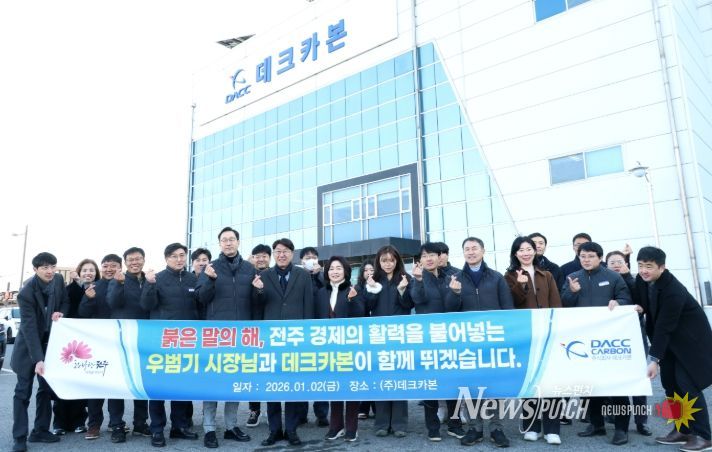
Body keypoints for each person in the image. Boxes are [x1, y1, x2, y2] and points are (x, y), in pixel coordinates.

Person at [633, 247, 712, 451]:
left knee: (687, 386)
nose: (643, 270)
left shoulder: (673, 290)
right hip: (669, 342)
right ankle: (683, 430)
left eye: (649, 266)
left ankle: (704, 436)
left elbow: (664, 326)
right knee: (671, 385)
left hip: (690, 343)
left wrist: (654, 360)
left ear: (662, 267)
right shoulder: (642, 280)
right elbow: (640, 300)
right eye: (640, 265)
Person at [561, 241, 631, 445]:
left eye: (591, 256)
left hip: (609, 341)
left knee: (617, 386)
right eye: (583, 256)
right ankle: (597, 424)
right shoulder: (573, 277)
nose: (586, 260)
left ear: (600, 258)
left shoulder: (613, 277)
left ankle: (621, 429)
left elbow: (626, 298)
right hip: (584, 340)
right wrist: (572, 291)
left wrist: (619, 302)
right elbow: (564, 304)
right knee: (591, 385)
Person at [445, 237, 513, 447]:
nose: (471, 252)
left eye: (475, 248)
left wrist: (508, 336)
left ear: (483, 251)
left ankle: (496, 428)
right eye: (467, 249)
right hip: (467, 342)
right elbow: (448, 310)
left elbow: (508, 308)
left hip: (493, 339)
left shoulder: (497, 277)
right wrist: (455, 293)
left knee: (495, 385)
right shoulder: (454, 278)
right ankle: (475, 427)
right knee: (471, 385)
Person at [252, 238, 315, 447]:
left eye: (285, 251)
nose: (281, 254)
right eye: (278, 251)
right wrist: (258, 290)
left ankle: (291, 429)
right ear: (273, 254)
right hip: (271, 339)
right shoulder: (264, 276)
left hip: (295, 338)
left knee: (292, 385)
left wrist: (307, 336)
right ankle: (274, 430)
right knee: (272, 385)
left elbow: (308, 305)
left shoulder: (303, 275)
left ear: (292, 254)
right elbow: (258, 306)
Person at [196, 227, 254, 448]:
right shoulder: (210, 268)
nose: (228, 243)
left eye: (232, 239)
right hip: (216, 336)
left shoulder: (249, 268)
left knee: (235, 382)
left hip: (242, 336)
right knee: (212, 383)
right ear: (219, 244)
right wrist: (210, 280)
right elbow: (201, 298)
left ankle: (231, 426)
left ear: (238, 242)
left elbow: (256, 301)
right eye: (224, 240)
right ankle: (209, 428)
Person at [140, 243, 200, 447]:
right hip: (162, 341)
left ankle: (179, 426)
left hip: (187, 341)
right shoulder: (156, 278)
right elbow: (146, 305)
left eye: (182, 255)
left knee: (181, 386)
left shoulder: (193, 279)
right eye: (174, 256)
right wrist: (149, 285)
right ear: (166, 258)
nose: (179, 259)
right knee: (158, 387)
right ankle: (157, 429)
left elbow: (200, 306)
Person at [504, 237, 562, 445]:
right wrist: (520, 286)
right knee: (530, 380)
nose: (526, 253)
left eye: (529, 249)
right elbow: (511, 303)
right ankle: (531, 426)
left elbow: (556, 303)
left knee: (551, 380)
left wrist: (557, 328)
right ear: (515, 254)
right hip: (525, 334)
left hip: (547, 333)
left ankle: (552, 429)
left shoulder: (546, 275)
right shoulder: (509, 276)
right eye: (521, 250)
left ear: (535, 251)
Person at [11, 252, 69, 452]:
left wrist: (61, 311)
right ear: (35, 269)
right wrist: (38, 359)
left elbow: (66, 301)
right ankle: (19, 437)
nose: (50, 271)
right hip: (28, 347)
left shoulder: (58, 280)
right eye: (45, 267)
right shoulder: (26, 293)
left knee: (45, 390)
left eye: (52, 266)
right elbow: (28, 328)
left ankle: (40, 430)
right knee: (22, 392)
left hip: (49, 344)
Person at [411, 243, 465, 442]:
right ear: (420, 260)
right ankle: (432, 427)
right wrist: (418, 280)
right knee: (430, 384)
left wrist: (455, 293)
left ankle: (455, 424)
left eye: (432, 254)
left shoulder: (448, 277)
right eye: (424, 256)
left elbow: (453, 307)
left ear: (439, 257)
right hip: (427, 339)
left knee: (452, 383)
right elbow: (417, 299)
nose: (429, 258)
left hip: (449, 339)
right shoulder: (417, 278)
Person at [362, 245, 412, 438]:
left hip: (400, 336)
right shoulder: (374, 280)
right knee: (381, 379)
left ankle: (399, 424)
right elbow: (367, 306)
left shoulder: (405, 279)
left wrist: (402, 291)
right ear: (379, 262)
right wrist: (372, 290)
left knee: (399, 379)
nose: (388, 264)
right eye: (384, 260)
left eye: (391, 260)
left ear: (397, 261)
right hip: (379, 337)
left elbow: (409, 305)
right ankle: (381, 423)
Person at [103, 248, 151, 442]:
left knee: (142, 381)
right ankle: (117, 425)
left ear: (144, 260)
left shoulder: (149, 279)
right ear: (125, 262)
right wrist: (119, 283)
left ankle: (140, 423)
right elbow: (112, 303)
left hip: (145, 337)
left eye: (138, 259)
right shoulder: (118, 280)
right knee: (118, 382)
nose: (135, 262)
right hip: (121, 337)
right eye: (130, 259)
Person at [317, 256, 365, 442]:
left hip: (350, 347)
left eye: (338, 268)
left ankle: (352, 427)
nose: (334, 272)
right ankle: (336, 426)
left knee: (351, 387)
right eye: (331, 268)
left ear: (346, 271)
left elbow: (361, 315)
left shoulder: (354, 290)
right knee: (334, 386)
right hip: (328, 347)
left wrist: (352, 300)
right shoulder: (321, 292)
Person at [605, 250, 652, 437]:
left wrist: (627, 276)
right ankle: (617, 419)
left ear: (626, 263)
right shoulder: (606, 281)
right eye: (612, 262)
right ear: (606, 265)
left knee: (638, 379)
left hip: (635, 335)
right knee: (616, 380)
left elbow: (643, 301)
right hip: (612, 338)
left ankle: (641, 422)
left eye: (620, 261)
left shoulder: (635, 280)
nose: (616, 265)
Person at [51, 259, 96, 436]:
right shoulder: (69, 289)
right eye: (85, 270)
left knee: (81, 381)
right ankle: (59, 422)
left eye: (91, 270)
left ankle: (79, 421)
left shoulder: (99, 289)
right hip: (67, 342)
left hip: (88, 343)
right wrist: (78, 284)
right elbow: (66, 307)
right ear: (78, 272)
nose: (88, 273)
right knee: (64, 380)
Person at [298, 246, 329, 428]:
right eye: (307, 257)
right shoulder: (297, 275)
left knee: (320, 373)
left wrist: (318, 275)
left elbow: (329, 290)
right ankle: (301, 414)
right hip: (302, 331)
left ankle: (322, 413)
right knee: (301, 373)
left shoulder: (324, 275)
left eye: (313, 257)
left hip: (321, 331)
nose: (311, 259)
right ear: (301, 261)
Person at [245, 244, 271, 428]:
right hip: (251, 329)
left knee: (270, 370)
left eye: (264, 256)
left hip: (270, 329)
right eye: (257, 256)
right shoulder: (246, 275)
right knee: (253, 371)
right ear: (252, 258)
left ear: (270, 257)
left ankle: (272, 409)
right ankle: (254, 410)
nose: (260, 259)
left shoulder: (274, 275)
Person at [355, 260, 376, 421]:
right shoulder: (357, 288)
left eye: (372, 270)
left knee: (375, 371)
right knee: (363, 372)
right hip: (362, 334)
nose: (369, 272)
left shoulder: (379, 286)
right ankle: (363, 407)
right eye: (366, 270)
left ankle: (376, 407)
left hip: (376, 333)